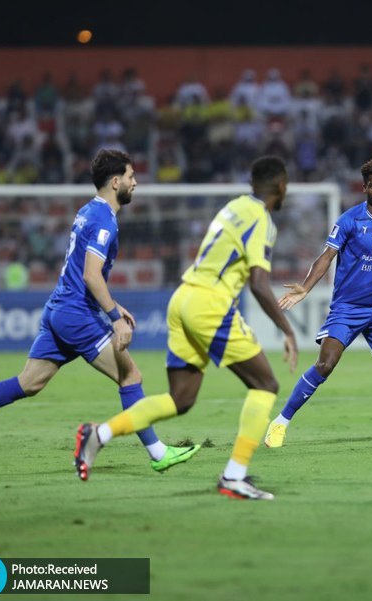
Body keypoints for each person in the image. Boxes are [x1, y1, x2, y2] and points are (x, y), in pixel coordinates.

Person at [0, 150, 200, 473]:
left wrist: (114, 304)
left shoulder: (87, 211)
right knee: (130, 376)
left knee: (29, 382)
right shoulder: (103, 221)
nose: (135, 183)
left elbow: (80, 270)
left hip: (59, 308)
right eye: (130, 176)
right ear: (115, 182)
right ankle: (158, 454)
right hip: (76, 314)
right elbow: (90, 275)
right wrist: (114, 319)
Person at [74, 156, 298, 501]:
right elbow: (259, 283)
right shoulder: (262, 220)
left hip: (182, 299)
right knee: (266, 384)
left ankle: (99, 434)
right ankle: (234, 476)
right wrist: (287, 329)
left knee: (180, 399)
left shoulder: (234, 207)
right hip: (211, 303)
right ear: (280, 186)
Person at [264, 160, 372, 449]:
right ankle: (280, 423)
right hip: (347, 307)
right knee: (325, 364)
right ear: (365, 188)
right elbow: (326, 257)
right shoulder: (349, 220)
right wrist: (306, 288)